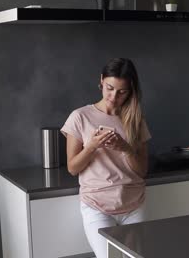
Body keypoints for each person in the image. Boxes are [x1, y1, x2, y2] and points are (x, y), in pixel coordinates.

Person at [61, 58, 151, 258]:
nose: (113, 96)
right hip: (97, 206)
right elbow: (73, 168)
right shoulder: (80, 117)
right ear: (101, 81)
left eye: (122, 92)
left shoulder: (135, 119)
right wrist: (92, 146)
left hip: (134, 205)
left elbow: (142, 170)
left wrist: (125, 148)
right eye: (109, 88)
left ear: (131, 90)